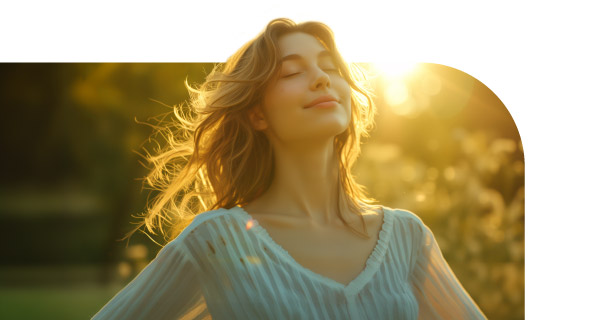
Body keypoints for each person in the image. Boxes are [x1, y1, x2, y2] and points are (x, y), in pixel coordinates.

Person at [92, 18, 487, 320]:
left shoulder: (406, 237)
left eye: (330, 67)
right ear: (257, 114)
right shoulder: (216, 241)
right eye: (292, 73)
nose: (320, 79)